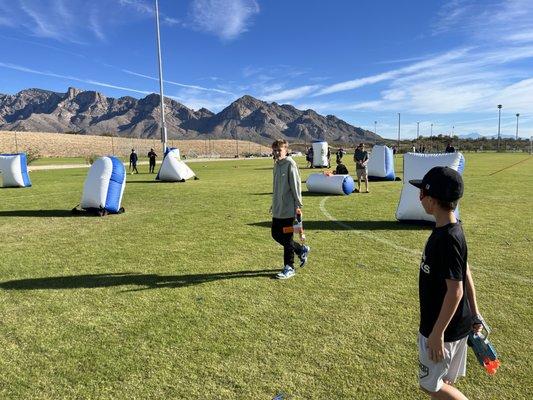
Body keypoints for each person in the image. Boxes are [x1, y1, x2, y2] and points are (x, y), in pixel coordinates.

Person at [409, 167, 483, 400]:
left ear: (431, 200)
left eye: (421, 193)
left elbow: (455, 290)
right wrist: (476, 313)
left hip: (442, 328)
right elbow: (465, 272)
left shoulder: (448, 239)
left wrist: (436, 333)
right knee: (443, 381)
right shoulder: (453, 229)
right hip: (457, 324)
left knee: (430, 385)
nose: (419, 198)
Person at [271, 139, 310, 279]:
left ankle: (289, 267)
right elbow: (276, 188)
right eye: (274, 150)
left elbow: (296, 186)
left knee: (287, 238)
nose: (276, 153)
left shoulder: (290, 164)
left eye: (279, 150)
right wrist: (273, 203)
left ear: (286, 150)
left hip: (289, 209)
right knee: (275, 233)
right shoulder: (276, 165)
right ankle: (301, 250)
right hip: (278, 208)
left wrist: (298, 206)